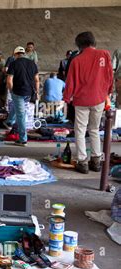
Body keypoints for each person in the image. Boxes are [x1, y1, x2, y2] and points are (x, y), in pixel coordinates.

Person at [63, 31, 113, 174]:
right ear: (93, 41)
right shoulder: (104, 54)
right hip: (99, 98)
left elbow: (70, 82)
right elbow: (109, 75)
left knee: (80, 130)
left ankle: (82, 162)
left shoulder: (76, 60)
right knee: (94, 129)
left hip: (81, 100)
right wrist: (107, 92)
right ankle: (96, 161)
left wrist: (66, 99)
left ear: (79, 44)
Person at [6, 46, 40, 146]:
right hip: (29, 93)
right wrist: (37, 93)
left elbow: (9, 80)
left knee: (21, 115)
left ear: (15, 54)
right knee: (19, 109)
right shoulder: (32, 63)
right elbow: (37, 80)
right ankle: (9, 121)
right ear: (24, 53)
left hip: (18, 92)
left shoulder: (13, 63)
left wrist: (11, 90)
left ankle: (23, 139)